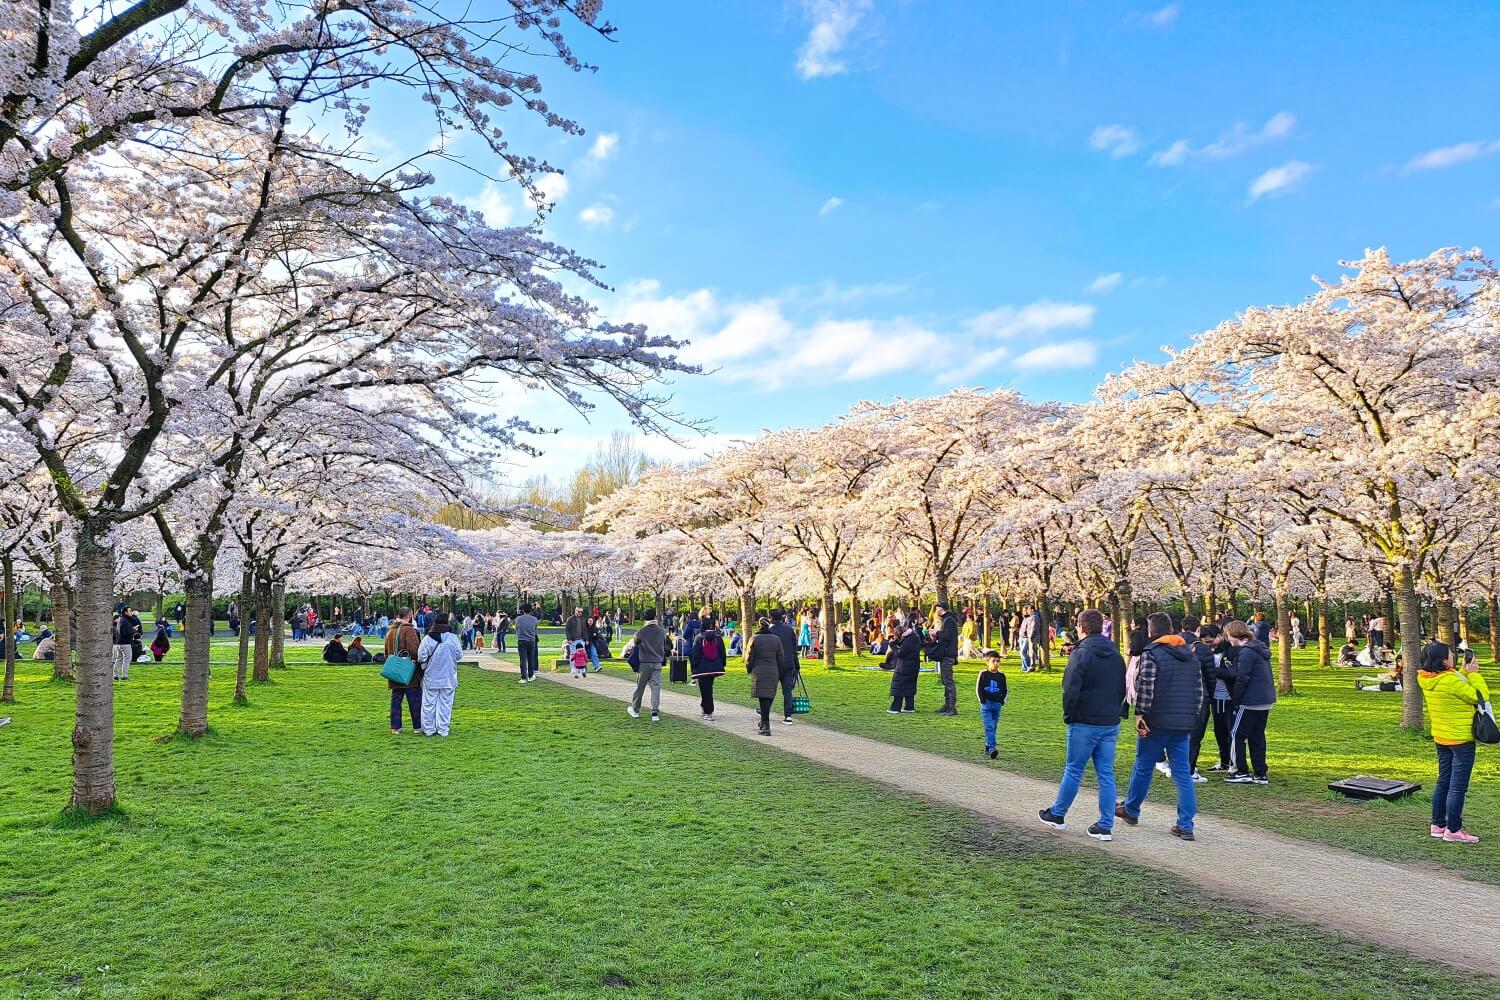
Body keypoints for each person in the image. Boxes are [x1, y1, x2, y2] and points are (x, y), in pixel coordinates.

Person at [1039, 609, 1127, 841]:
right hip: (1109, 720)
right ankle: (1106, 824)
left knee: (1074, 769)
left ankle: (1058, 813)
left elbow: (1070, 689)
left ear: (1081, 627)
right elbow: (1122, 688)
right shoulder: (1116, 655)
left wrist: (1069, 715)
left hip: (1085, 721)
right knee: (1106, 773)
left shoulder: (1081, 653)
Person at [1116, 612, 1204, 841]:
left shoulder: (1152, 653)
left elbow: (1147, 686)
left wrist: (1140, 714)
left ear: (1151, 631)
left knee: (1144, 765)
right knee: (1182, 772)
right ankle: (1186, 823)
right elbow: (1198, 691)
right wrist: (1192, 716)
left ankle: (1132, 809)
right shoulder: (1190, 654)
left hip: (1157, 719)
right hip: (1184, 721)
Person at [1418, 641, 1487, 843]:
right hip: (1461, 740)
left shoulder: (1427, 678)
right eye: (1450, 655)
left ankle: (1438, 825)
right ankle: (1454, 830)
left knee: (1444, 781)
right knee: (1457, 786)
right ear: (1443, 660)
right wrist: (1474, 674)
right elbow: (1480, 696)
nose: (1453, 657)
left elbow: (1455, 688)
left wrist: (1464, 674)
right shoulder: (1450, 681)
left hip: (1441, 738)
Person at [1222, 619, 1276, 784]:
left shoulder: (1246, 652)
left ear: (1232, 634)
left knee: (1236, 734)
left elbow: (1242, 678)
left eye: (1228, 636)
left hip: (1250, 700)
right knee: (1257, 736)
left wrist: (1236, 699)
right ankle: (1260, 772)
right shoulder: (1259, 648)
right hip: (1265, 699)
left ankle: (1240, 770)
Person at [417, 612, 461, 737]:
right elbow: (459, 655)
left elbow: (421, 657)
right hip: (448, 677)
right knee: (446, 704)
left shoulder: (428, 638)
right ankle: (443, 729)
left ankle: (429, 729)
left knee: (428, 704)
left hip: (431, 676)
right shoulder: (453, 638)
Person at [745, 617, 787, 736]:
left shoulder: (754, 639)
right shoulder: (776, 639)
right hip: (773, 671)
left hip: (759, 671)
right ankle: (763, 723)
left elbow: (749, 657)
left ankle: (765, 725)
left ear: (759, 625)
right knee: (768, 696)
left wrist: (749, 668)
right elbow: (780, 657)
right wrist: (779, 671)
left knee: (763, 698)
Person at [385, 608, 423, 734]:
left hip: (394, 670)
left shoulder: (390, 631)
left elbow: (386, 651)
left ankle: (396, 727)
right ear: (410, 615)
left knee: (396, 700)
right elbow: (414, 650)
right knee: (415, 700)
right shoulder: (409, 630)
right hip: (408, 671)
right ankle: (417, 726)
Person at [627, 609, 669, 722]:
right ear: (655, 616)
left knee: (640, 687)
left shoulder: (641, 632)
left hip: (644, 662)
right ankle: (655, 712)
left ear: (645, 618)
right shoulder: (662, 631)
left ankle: (635, 709)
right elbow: (665, 645)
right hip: (658, 662)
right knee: (655, 687)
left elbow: (635, 644)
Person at [689, 616, 728, 720]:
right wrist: (722, 664)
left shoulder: (699, 638)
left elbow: (695, 654)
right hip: (714, 667)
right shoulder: (718, 637)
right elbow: (722, 652)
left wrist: (694, 667)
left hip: (702, 669)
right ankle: (704, 706)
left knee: (705, 689)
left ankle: (708, 711)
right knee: (708, 688)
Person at [769, 610, 802, 725]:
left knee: (771, 689)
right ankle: (788, 715)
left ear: (772, 618)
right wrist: (797, 664)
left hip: (775, 664)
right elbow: (794, 648)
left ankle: (765, 710)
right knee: (787, 691)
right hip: (789, 663)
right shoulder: (789, 629)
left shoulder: (770, 631)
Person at [927, 601, 959, 715]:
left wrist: (937, 632)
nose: (936, 610)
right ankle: (947, 705)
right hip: (946, 654)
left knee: (948, 681)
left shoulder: (949, 620)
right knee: (945, 680)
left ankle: (952, 707)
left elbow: (948, 636)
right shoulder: (948, 619)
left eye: (937, 608)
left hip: (948, 654)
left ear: (942, 608)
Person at [886, 614, 922, 714]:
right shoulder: (912, 637)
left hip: (904, 668)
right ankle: (909, 707)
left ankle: (895, 707)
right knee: (909, 686)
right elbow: (905, 648)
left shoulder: (908, 640)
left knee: (899, 686)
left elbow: (901, 654)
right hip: (913, 667)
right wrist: (897, 643)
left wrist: (893, 646)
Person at [976, 650, 1008, 759]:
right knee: (989, 726)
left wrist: (1001, 701)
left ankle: (987, 746)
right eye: (993, 661)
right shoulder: (983, 674)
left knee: (993, 726)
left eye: (998, 661)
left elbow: (1004, 690)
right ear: (987, 662)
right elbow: (978, 689)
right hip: (986, 705)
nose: (995, 663)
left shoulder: (1001, 676)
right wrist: (982, 701)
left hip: (997, 704)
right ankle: (992, 748)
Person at [515, 603, 540, 683]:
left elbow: (517, 629)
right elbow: (535, 630)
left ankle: (523, 677)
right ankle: (530, 675)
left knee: (522, 659)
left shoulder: (518, 619)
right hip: (531, 641)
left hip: (521, 640)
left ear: (523, 610)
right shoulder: (535, 619)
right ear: (531, 610)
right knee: (531, 658)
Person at [111, 607, 137, 681]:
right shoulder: (125, 621)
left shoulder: (121, 619)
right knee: (127, 659)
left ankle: (115, 675)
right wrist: (133, 630)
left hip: (119, 642)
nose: (131, 612)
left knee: (119, 659)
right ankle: (124, 675)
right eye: (130, 610)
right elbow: (126, 633)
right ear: (125, 612)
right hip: (125, 643)